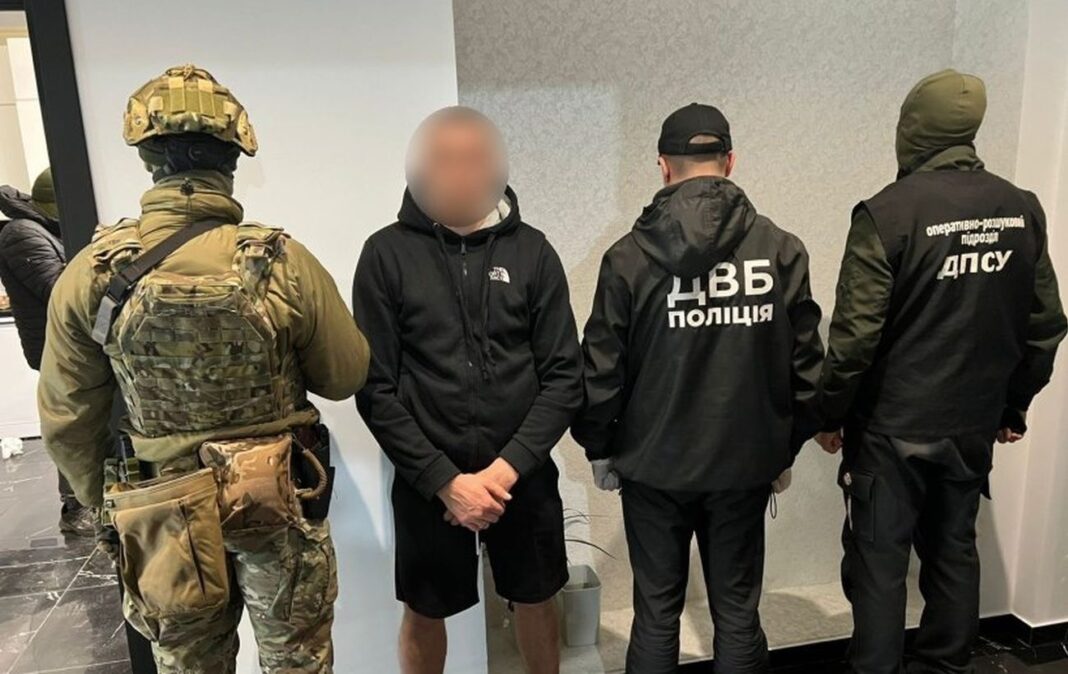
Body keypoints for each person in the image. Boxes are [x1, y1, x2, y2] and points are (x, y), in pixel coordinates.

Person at [37, 64, 370, 674]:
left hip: (161, 507)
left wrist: (112, 510)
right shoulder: (283, 261)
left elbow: (66, 419)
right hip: (275, 501)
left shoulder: (93, 273)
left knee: (189, 665)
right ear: (234, 157)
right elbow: (345, 375)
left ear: (147, 157)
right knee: (296, 662)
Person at [816, 69, 1067, 674]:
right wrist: (1013, 405)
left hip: (891, 429)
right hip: (972, 423)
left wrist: (827, 415)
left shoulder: (886, 213)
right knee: (954, 553)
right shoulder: (1021, 208)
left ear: (912, 129)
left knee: (878, 564)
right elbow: (1045, 325)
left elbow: (854, 340)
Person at [572, 103, 824, 673]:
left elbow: (602, 371)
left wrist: (600, 448)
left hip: (653, 468)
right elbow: (808, 370)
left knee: (656, 615)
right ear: (730, 162)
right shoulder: (781, 251)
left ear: (663, 166)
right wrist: (782, 449)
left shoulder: (627, 259)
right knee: (737, 613)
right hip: (743, 466)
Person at [353, 106, 582, 674]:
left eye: (474, 158)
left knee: (536, 598)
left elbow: (563, 377)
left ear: (496, 165)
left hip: (521, 476)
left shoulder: (533, 252)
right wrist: (446, 483)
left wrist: (501, 475)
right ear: (419, 167)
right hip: (428, 480)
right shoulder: (385, 254)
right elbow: (375, 388)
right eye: (444, 159)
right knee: (424, 609)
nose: (460, 171)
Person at [0, 168, 95, 537]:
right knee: (71, 425)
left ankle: (88, 500)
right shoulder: (21, 233)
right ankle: (75, 508)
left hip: (67, 342)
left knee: (84, 421)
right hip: (54, 345)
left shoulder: (41, 230)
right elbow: (57, 288)